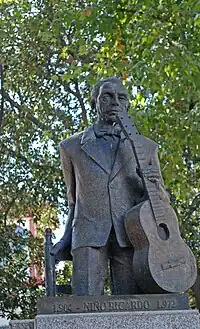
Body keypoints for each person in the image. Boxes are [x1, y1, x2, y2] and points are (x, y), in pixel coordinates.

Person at [51, 77, 168, 295]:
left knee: (134, 310)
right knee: (83, 307)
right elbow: (72, 200)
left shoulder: (146, 148)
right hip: (87, 234)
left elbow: (161, 201)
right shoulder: (71, 147)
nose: (115, 102)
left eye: (121, 97)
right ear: (94, 102)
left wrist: (150, 183)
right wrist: (65, 239)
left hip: (134, 235)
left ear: (127, 105)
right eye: (107, 96)